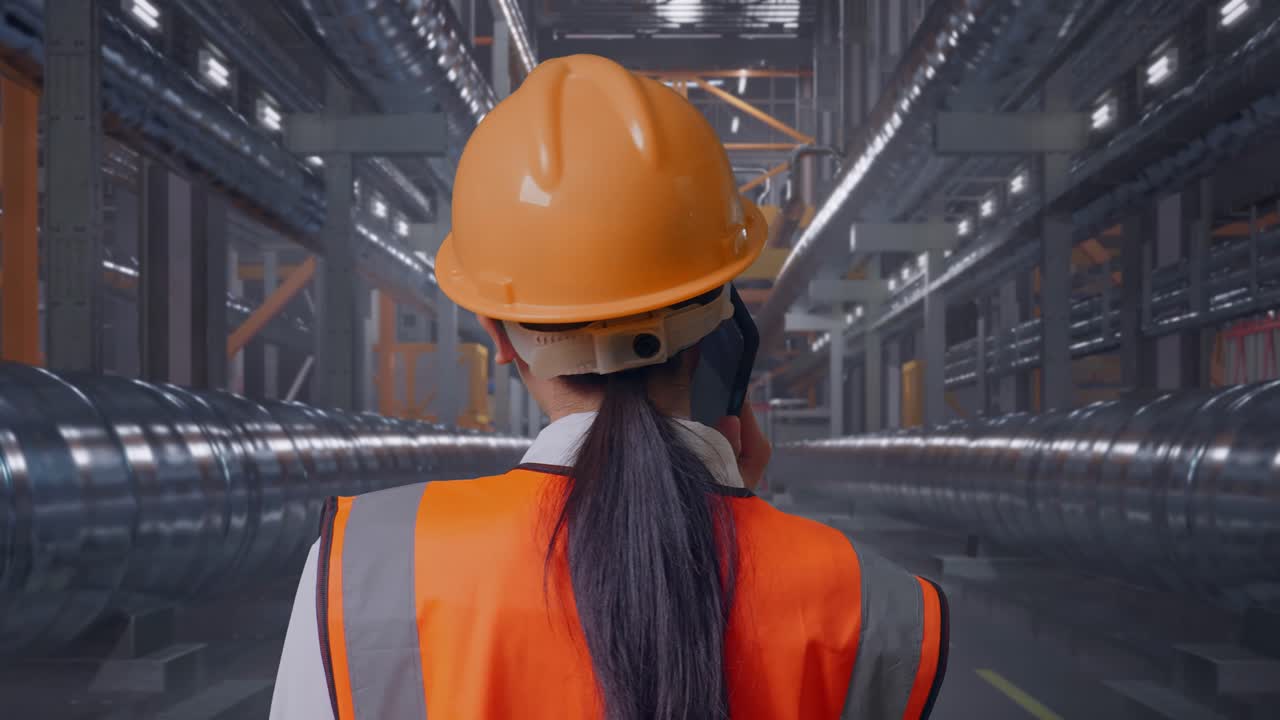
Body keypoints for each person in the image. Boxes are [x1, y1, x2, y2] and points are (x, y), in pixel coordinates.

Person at [270, 54, 947, 720]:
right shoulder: (876, 607)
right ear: (720, 312)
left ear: (497, 334)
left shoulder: (362, 570)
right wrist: (737, 522)